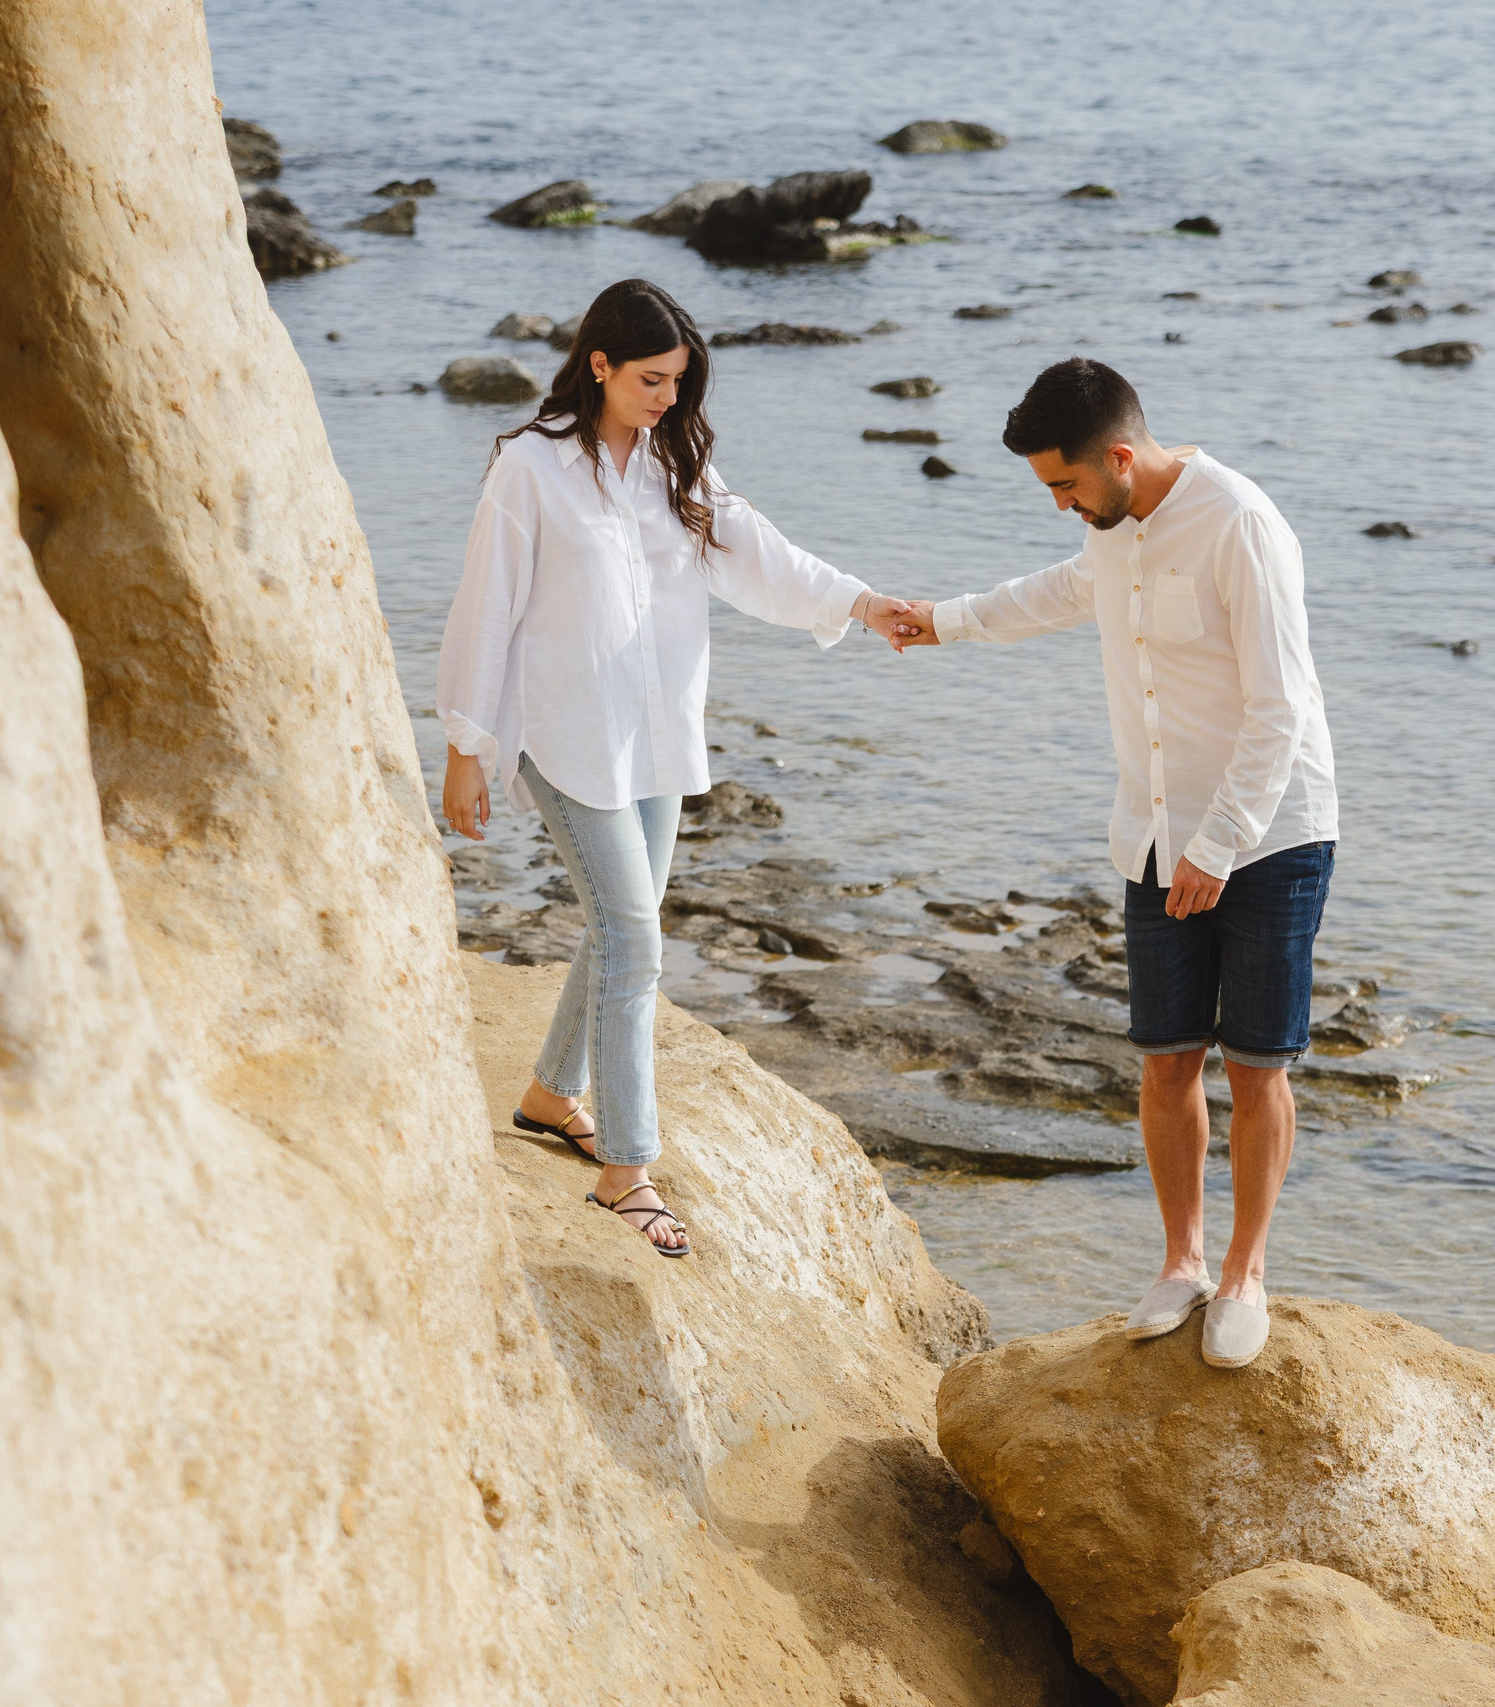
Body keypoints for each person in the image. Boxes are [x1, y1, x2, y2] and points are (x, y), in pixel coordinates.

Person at [437, 277, 919, 1256]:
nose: (668, 397)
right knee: (631, 938)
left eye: (680, 382)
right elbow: (484, 607)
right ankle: (628, 1171)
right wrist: (466, 745)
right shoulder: (530, 469)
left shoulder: (674, 460)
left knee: (626, 926)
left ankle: (547, 1093)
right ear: (599, 364)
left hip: (655, 734)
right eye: (652, 379)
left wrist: (864, 604)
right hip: (568, 733)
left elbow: (761, 558)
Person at [889, 359, 1337, 1367]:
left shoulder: (1240, 526)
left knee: (1257, 1064)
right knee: (1165, 1056)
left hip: (1268, 835)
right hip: (1150, 832)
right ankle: (1181, 1263)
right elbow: (1056, 593)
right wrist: (944, 621)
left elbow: (1281, 710)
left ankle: (1244, 1275)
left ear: (1120, 456)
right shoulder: (1107, 529)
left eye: (1067, 484)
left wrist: (1217, 849)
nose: (1059, 506)